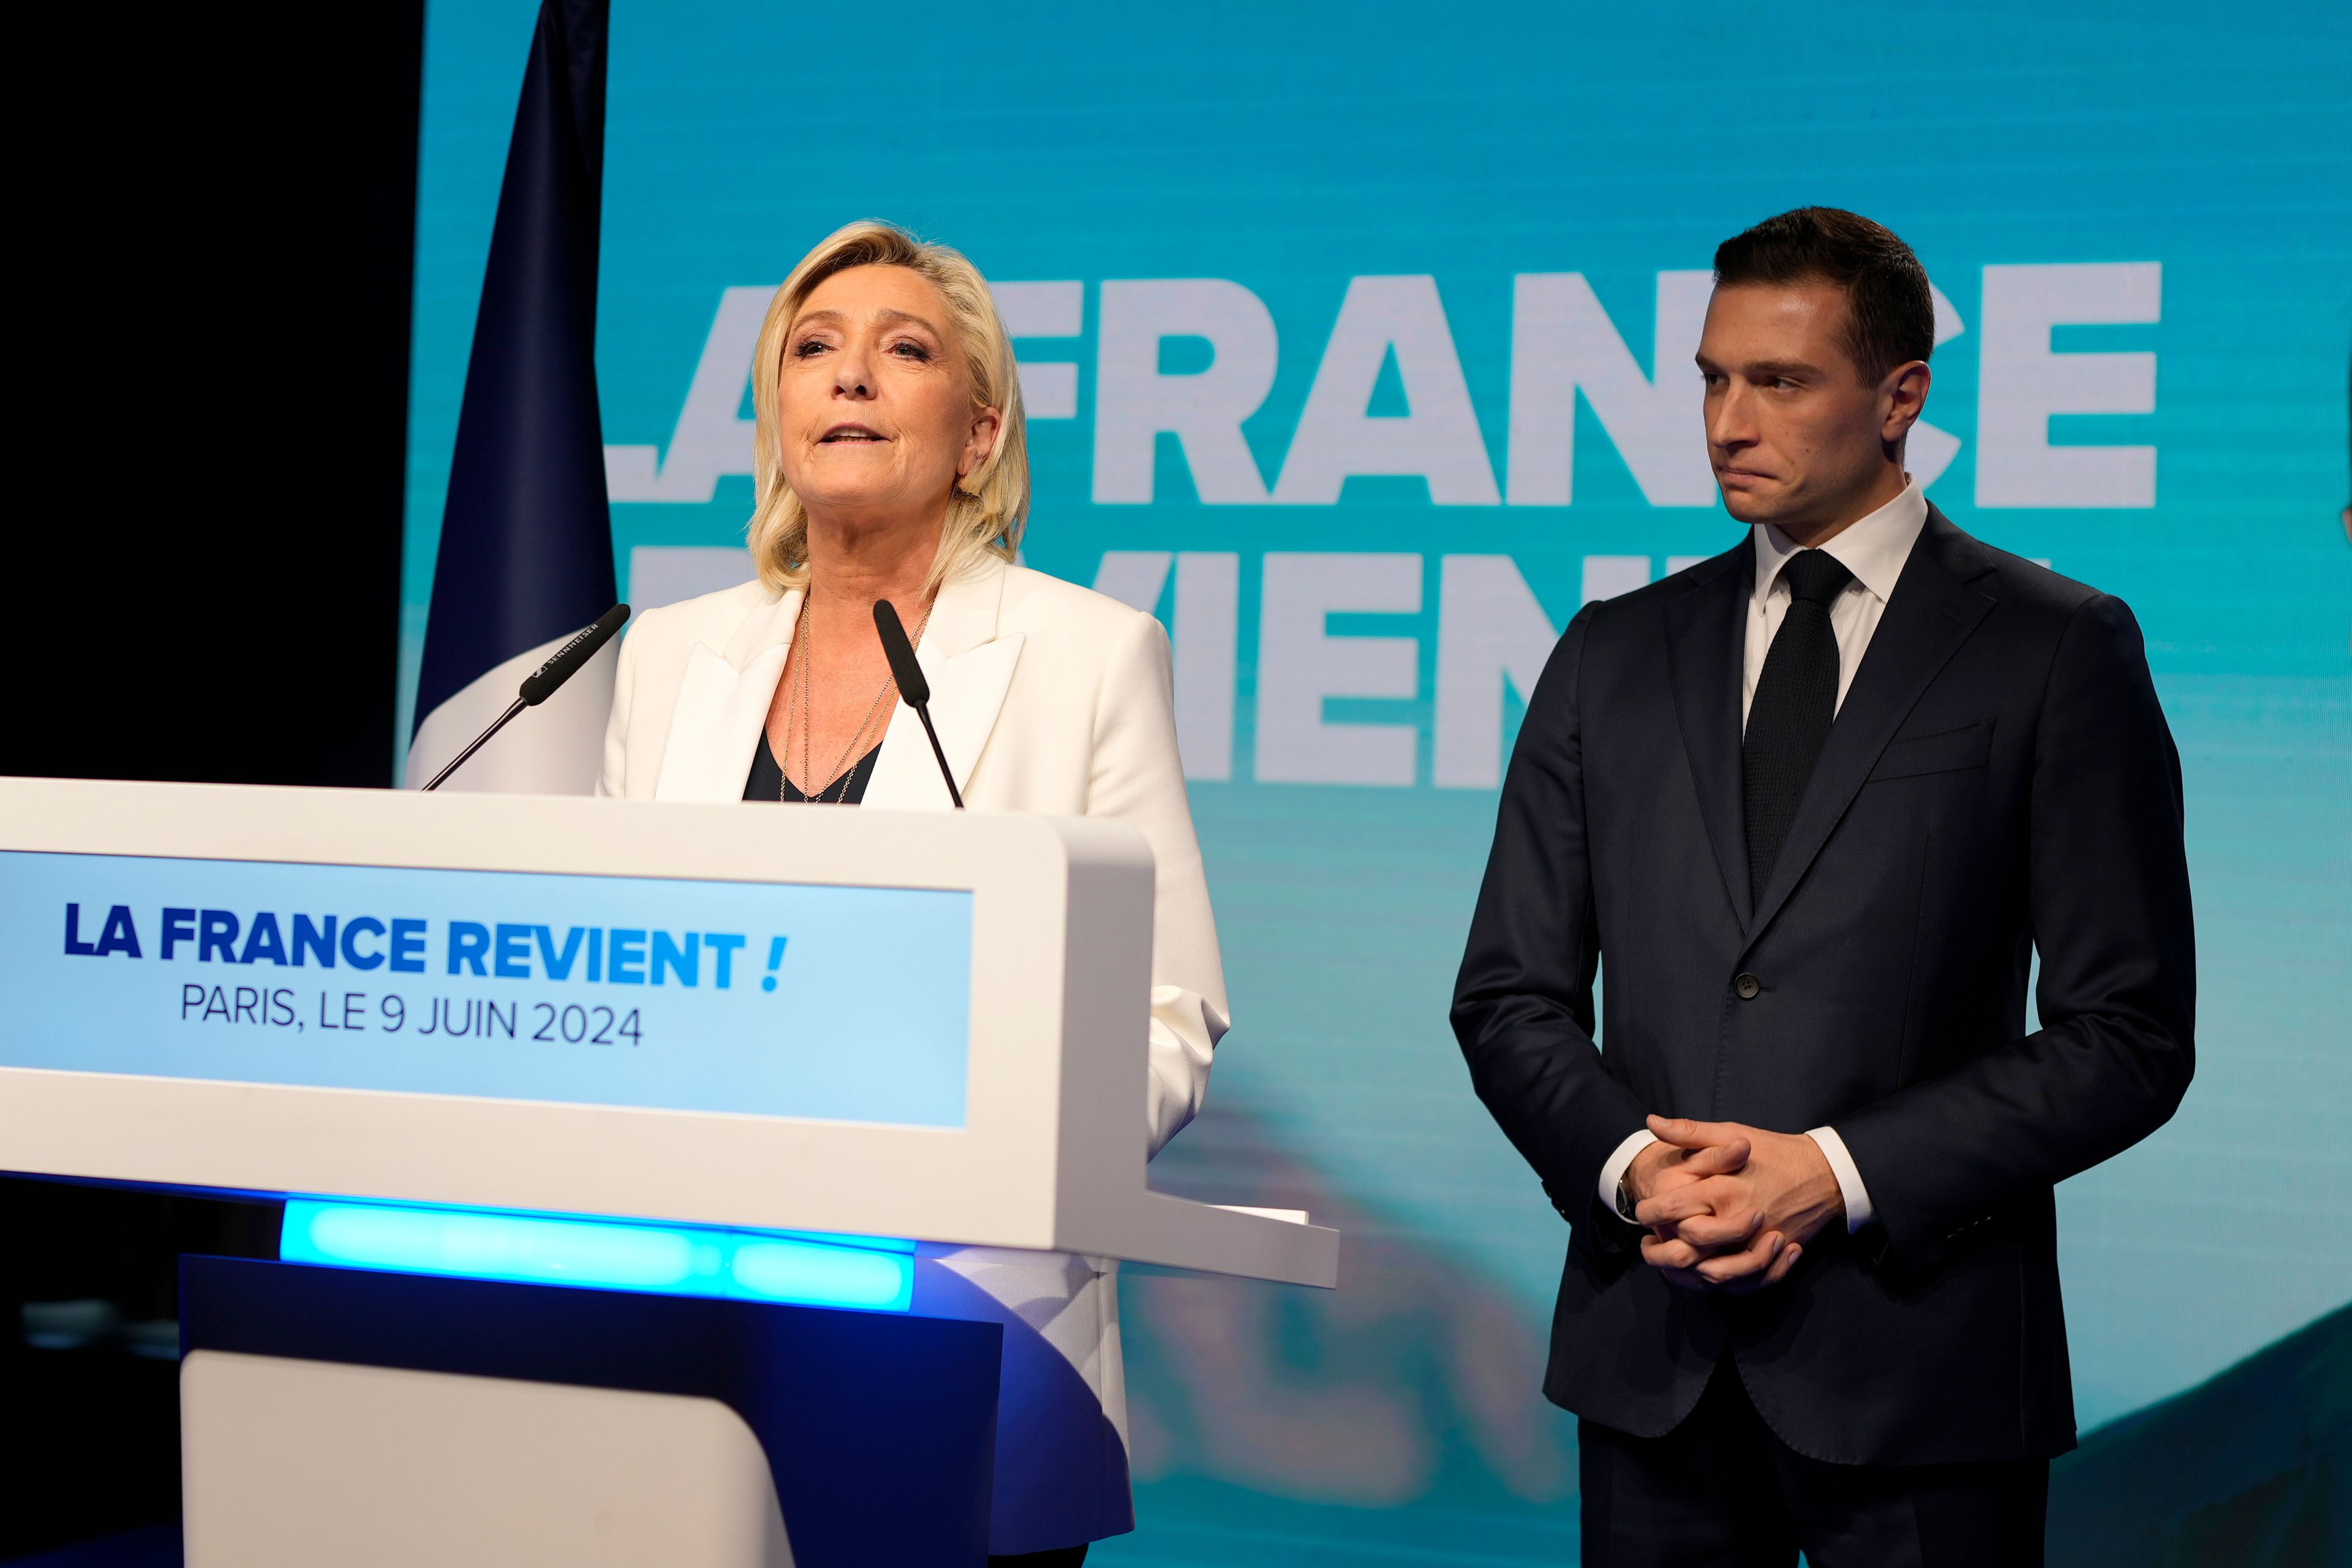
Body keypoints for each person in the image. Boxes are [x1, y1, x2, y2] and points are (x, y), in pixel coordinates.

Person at [1451, 206, 2195, 1566]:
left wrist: (1833, 1173)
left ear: (1900, 396)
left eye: (1779, 381)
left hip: (1927, 1372)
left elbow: (2128, 1036)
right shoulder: (1613, 652)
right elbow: (1509, 993)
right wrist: (1635, 1172)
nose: (1729, 420)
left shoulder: (2054, 648)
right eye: (1712, 379)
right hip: (1653, 1358)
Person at [599, 220, 1229, 1565]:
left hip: (965, 1313)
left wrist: (1019, 1159)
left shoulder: (1088, 653)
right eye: (815, 350)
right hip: (684, 1305)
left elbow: (1170, 1010)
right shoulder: (668, 655)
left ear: (982, 436)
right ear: (778, 416)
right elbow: (613, 966)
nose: (851, 377)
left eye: (904, 350)